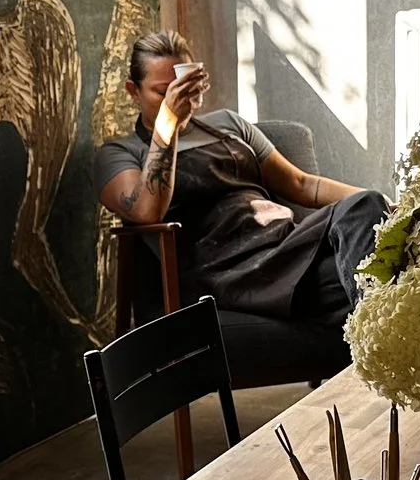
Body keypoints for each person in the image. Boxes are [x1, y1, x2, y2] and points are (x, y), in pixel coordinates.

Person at [97, 30, 389, 327]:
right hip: (229, 272)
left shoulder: (230, 125)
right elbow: (148, 211)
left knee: (369, 207)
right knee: (373, 281)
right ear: (134, 91)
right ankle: (377, 339)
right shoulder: (121, 153)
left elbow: (303, 185)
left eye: (186, 86)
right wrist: (168, 123)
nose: (180, 97)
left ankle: (375, 338)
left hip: (286, 245)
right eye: (164, 92)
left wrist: (392, 207)